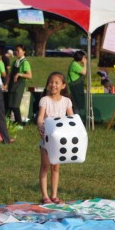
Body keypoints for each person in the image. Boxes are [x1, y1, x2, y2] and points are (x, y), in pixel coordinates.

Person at [36, 72, 73, 205]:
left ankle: (54, 195)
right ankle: (45, 196)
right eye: (51, 82)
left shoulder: (67, 101)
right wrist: (40, 127)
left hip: (60, 141)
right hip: (46, 139)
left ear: (63, 85)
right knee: (45, 166)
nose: (53, 85)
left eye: (57, 83)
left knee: (56, 167)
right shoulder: (44, 100)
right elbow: (40, 117)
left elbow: (71, 118)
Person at [8, 44, 32, 125]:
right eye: (16, 50)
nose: (16, 52)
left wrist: (19, 74)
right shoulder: (15, 62)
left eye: (18, 50)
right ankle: (12, 122)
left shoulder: (25, 63)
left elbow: (29, 76)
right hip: (12, 85)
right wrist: (6, 84)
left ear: (24, 52)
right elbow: (10, 74)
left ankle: (19, 123)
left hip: (19, 86)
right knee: (10, 104)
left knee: (15, 105)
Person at [67, 50, 87, 117]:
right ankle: (77, 119)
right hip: (74, 87)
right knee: (76, 105)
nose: (85, 58)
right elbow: (84, 72)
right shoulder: (75, 64)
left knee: (77, 105)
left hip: (77, 86)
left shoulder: (76, 64)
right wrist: (85, 63)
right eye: (84, 57)